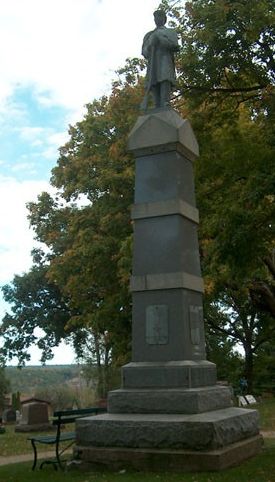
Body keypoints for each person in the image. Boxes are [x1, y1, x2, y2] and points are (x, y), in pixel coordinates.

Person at [141, 9, 179, 109]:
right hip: (153, 64)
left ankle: (165, 103)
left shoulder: (170, 32)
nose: (157, 19)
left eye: (159, 16)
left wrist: (159, 38)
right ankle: (157, 106)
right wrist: (150, 45)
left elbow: (175, 46)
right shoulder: (148, 35)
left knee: (165, 79)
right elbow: (144, 52)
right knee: (153, 83)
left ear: (164, 19)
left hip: (165, 61)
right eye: (155, 17)